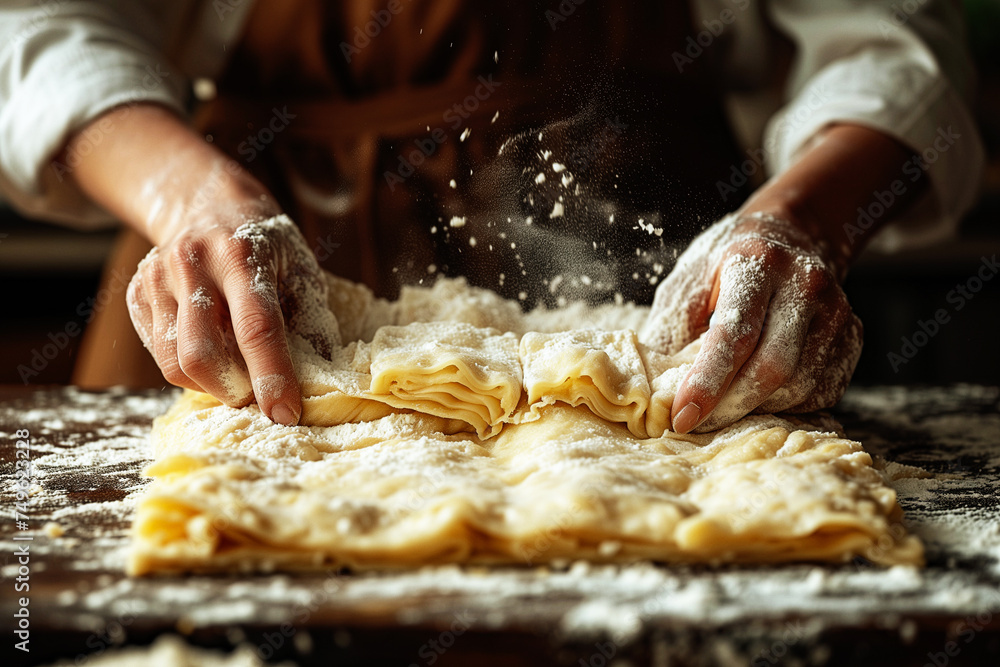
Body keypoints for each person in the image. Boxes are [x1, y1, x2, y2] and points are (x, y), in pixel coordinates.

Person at [0, 0, 984, 433]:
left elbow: (894, 44)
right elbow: (39, 24)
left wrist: (799, 223)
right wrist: (194, 200)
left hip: (680, 299)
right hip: (247, 283)